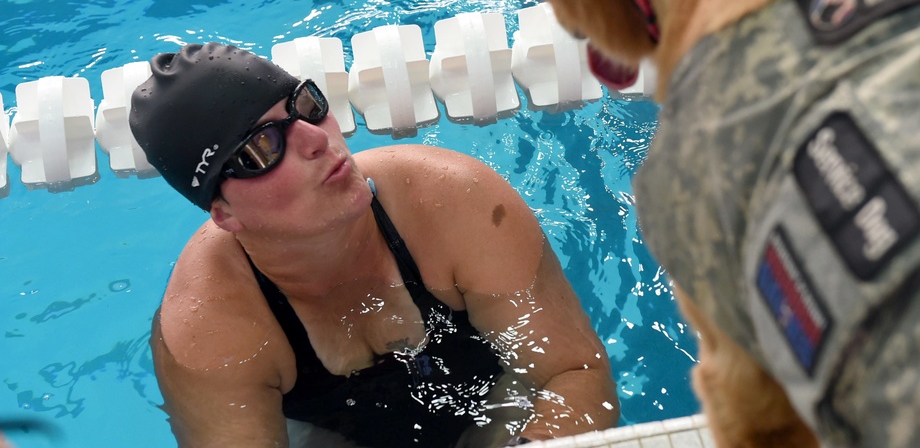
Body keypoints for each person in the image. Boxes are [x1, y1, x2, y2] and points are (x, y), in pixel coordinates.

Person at [129, 43, 619, 448]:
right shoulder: (207, 331)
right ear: (225, 214)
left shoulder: (454, 201)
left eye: (305, 106)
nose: (316, 139)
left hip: (498, 408)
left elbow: (572, 374)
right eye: (263, 148)